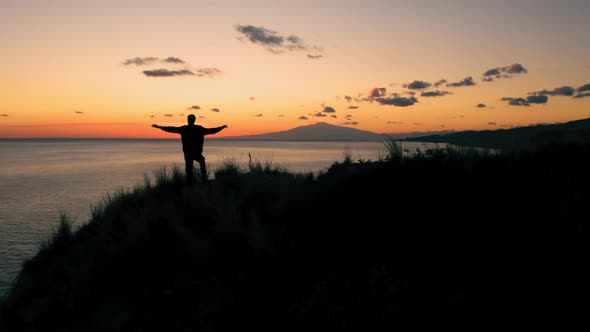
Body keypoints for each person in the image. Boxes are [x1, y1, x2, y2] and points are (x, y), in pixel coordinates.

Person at [152, 114, 228, 183]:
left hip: (188, 153)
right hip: (196, 153)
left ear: (188, 120)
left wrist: (160, 127)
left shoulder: (184, 129)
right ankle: (203, 179)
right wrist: (221, 128)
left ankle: (191, 183)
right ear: (194, 120)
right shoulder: (199, 129)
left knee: (189, 169)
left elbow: (172, 129)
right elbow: (212, 131)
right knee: (201, 161)